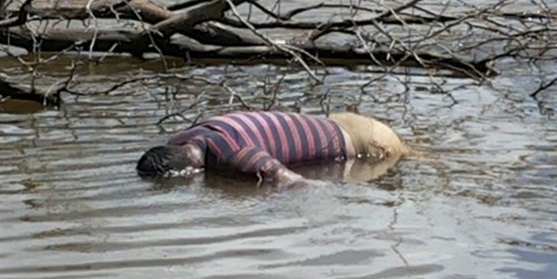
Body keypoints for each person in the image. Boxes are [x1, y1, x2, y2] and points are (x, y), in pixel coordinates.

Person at [136, 111, 409, 185]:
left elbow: (291, 180)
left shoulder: (233, 153)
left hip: (370, 142)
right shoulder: (183, 138)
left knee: (412, 158)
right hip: (337, 121)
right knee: (419, 154)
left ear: (190, 172)